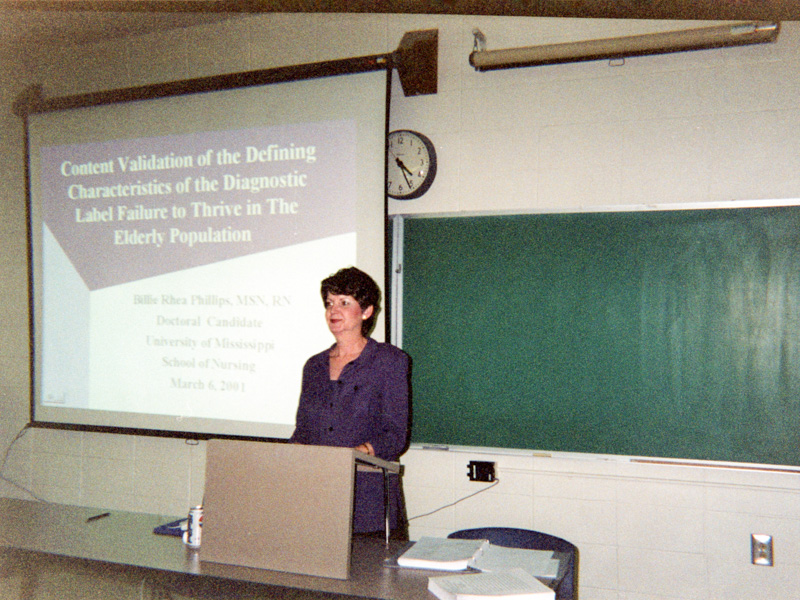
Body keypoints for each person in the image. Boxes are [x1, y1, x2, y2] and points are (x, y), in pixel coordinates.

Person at [289, 266, 410, 537]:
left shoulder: (389, 361)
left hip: (370, 501)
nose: (334, 311)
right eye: (330, 303)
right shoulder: (314, 366)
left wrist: (360, 452)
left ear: (366, 312)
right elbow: (303, 431)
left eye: (345, 303)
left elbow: (395, 435)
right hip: (318, 495)